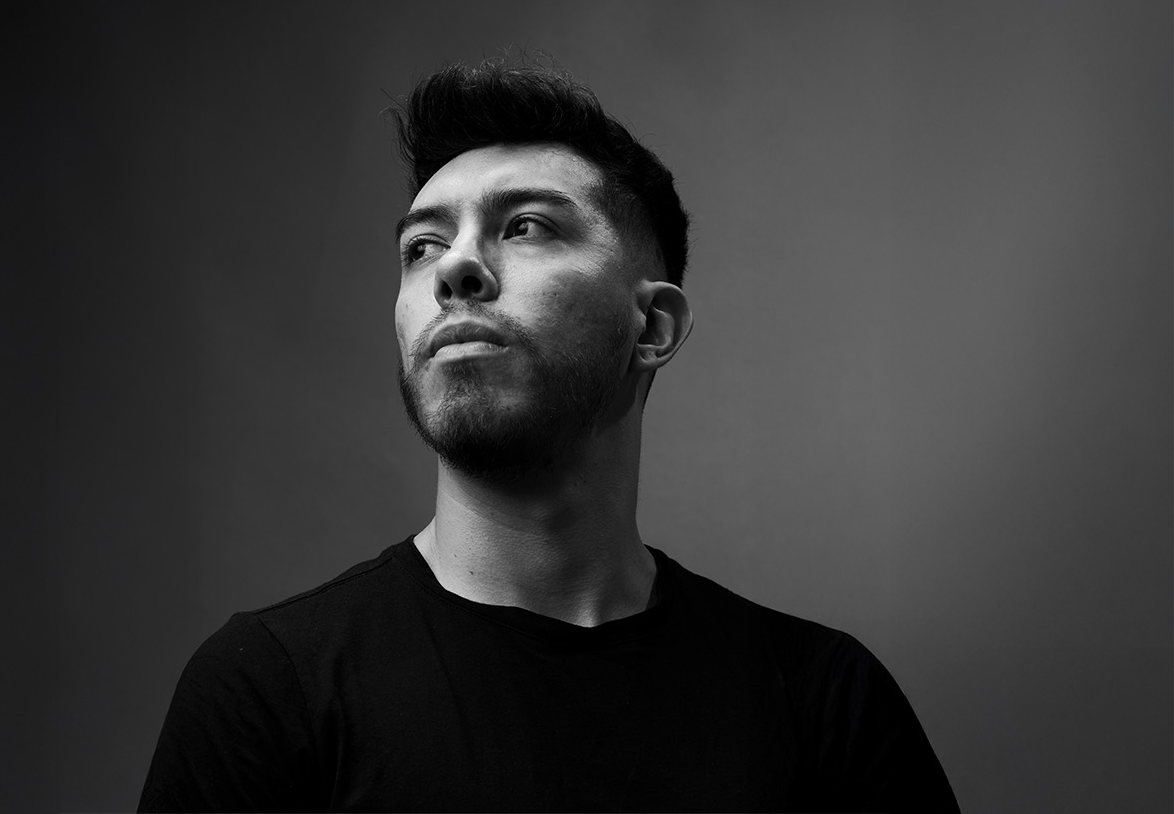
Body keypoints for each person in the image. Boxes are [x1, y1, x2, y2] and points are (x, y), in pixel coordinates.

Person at [139, 58, 960, 812]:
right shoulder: (267, 690)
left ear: (653, 327)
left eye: (526, 226)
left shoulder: (821, 704)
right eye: (422, 246)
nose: (454, 269)